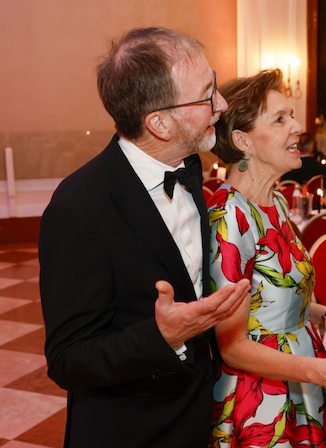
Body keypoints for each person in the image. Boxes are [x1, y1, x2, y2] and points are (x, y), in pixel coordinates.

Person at [38, 27, 248, 448]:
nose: (221, 104)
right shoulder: (79, 209)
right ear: (159, 123)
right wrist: (162, 337)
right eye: (207, 94)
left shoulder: (190, 170)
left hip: (197, 414)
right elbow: (68, 360)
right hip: (133, 431)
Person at [206, 69, 326, 447]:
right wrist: (323, 372)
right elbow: (232, 345)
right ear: (242, 140)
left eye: (291, 115)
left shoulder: (274, 202)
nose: (297, 127)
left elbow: (278, 294)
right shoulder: (230, 215)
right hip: (260, 395)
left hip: (300, 376)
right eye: (280, 119)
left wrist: (323, 314)